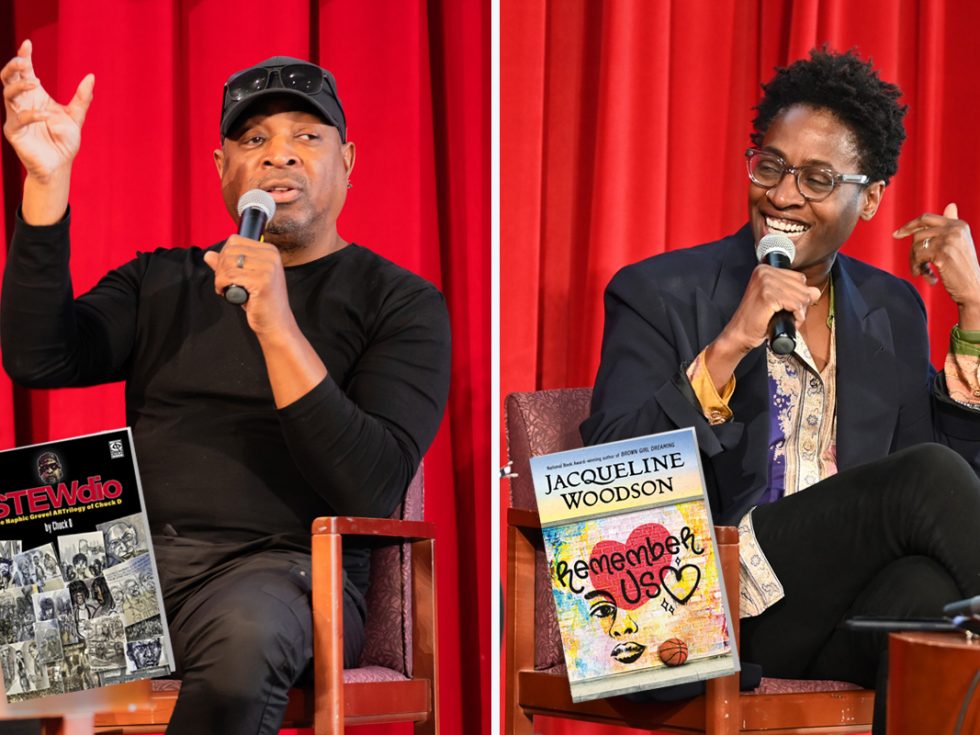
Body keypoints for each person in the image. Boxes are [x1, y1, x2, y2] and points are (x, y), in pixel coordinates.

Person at [0, 40, 450, 735]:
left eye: (307, 134)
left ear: (348, 162)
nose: (280, 153)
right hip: (130, 563)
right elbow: (40, 357)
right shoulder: (163, 279)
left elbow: (369, 482)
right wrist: (46, 184)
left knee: (243, 645)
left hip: (284, 571)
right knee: (16, 637)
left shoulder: (401, 302)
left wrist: (276, 325)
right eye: (254, 138)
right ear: (223, 169)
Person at [581, 48, 980, 734]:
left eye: (819, 178)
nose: (784, 194)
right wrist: (730, 343)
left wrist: (972, 314)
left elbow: (938, 508)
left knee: (930, 597)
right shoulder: (658, 292)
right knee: (927, 483)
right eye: (771, 165)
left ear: (873, 195)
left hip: (828, 610)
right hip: (700, 612)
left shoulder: (892, 308)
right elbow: (611, 474)